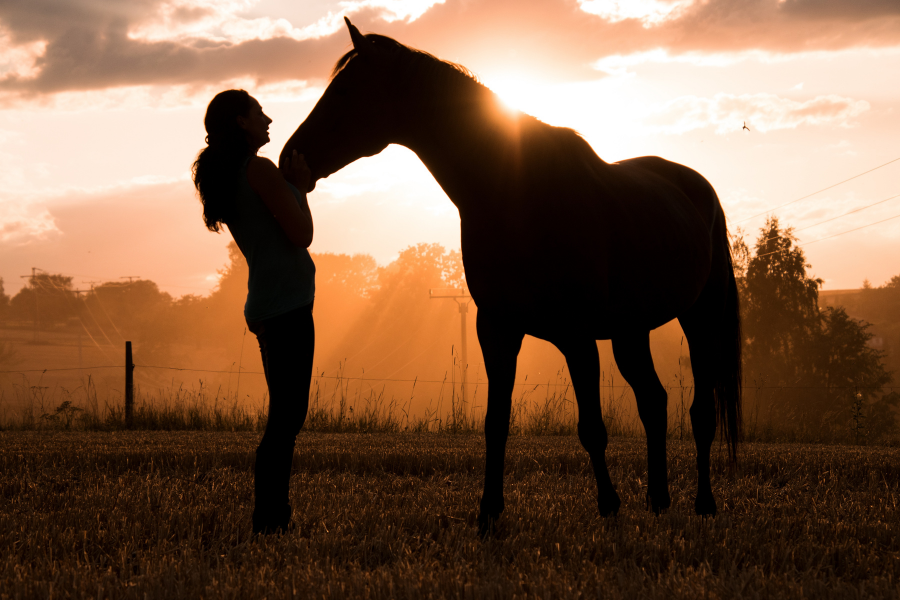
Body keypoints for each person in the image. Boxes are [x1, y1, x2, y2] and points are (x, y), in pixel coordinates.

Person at [192, 89, 315, 534]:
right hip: (286, 306)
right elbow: (301, 234)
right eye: (258, 112)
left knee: (285, 417)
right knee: (286, 419)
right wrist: (300, 188)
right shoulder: (259, 170)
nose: (267, 119)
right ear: (241, 122)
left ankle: (272, 517)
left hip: (271, 303)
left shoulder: (239, 172)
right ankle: (270, 520)